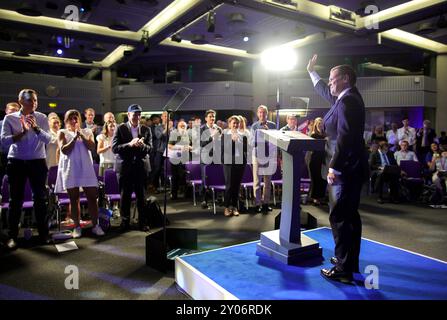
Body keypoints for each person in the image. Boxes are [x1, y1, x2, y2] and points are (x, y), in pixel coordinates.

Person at [307, 54, 368, 283]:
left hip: (345, 170)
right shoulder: (345, 98)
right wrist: (311, 72)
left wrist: (334, 168)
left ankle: (343, 270)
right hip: (350, 169)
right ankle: (348, 261)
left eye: (332, 79)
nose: (330, 82)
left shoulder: (348, 101)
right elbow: (325, 91)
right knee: (350, 217)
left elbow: (345, 137)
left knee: (340, 218)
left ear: (344, 78)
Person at [0, 89, 52, 249]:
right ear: (21, 101)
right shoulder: (10, 118)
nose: (34, 103)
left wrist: (36, 128)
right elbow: (3, 142)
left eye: (35, 100)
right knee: (15, 200)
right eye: (30, 100)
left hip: (37, 161)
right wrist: (21, 133)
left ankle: (43, 234)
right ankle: (12, 236)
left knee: (40, 200)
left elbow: (49, 139)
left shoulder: (42, 117)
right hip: (16, 161)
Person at [54, 110, 104, 238]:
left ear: (79, 120)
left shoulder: (87, 132)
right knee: (74, 198)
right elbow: (64, 150)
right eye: (71, 118)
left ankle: (95, 225)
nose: (74, 121)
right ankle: (77, 226)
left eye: (76, 118)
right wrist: (74, 138)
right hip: (70, 168)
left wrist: (81, 134)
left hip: (86, 168)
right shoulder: (62, 133)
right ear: (66, 121)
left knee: (92, 197)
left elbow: (92, 147)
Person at [112, 104, 152, 232]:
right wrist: (130, 144)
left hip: (141, 167)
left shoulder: (146, 129)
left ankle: (142, 222)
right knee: (125, 196)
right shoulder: (120, 128)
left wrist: (141, 145)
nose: (137, 117)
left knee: (142, 196)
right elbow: (115, 148)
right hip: (125, 167)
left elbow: (150, 149)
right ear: (128, 115)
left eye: (139, 114)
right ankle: (125, 222)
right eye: (134, 114)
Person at [250, 105, 276, 214]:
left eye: (264, 112)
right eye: (260, 112)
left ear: (267, 114)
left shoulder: (272, 125)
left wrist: (269, 133)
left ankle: (265, 203)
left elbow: (276, 141)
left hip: (269, 156)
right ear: (257, 114)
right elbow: (252, 143)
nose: (262, 115)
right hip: (257, 156)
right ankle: (257, 204)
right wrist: (260, 134)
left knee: (267, 182)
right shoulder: (254, 126)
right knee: (257, 181)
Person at [222, 116, 247, 217]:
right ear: (229, 124)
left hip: (240, 163)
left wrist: (238, 141)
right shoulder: (225, 135)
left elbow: (246, 149)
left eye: (237, 123)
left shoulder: (243, 136)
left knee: (237, 186)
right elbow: (224, 149)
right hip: (228, 163)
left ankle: (234, 207)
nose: (236, 125)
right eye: (234, 123)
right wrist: (232, 141)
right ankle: (227, 207)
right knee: (229, 186)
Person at [199, 109, 222, 209]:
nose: (212, 118)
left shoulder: (218, 128)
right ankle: (204, 200)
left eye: (213, 116)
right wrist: (212, 137)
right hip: (205, 157)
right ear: (206, 118)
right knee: (205, 179)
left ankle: (216, 198)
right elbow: (201, 143)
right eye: (210, 116)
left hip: (217, 156)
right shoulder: (202, 129)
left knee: (216, 177)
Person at [305, 117, 327, 206]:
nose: (320, 125)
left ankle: (321, 197)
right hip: (314, 159)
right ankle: (314, 198)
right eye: (319, 123)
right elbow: (310, 148)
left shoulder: (325, 135)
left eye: (321, 124)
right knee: (315, 179)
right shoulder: (313, 135)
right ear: (315, 125)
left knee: (323, 179)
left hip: (323, 160)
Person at [168, 120, 191, 200]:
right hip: (175, 158)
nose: (182, 127)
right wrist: (180, 147)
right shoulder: (174, 134)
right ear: (177, 127)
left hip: (186, 158)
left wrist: (190, 147)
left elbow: (192, 146)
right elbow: (170, 146)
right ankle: (174, 194)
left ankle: (186, 194)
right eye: (181, 126)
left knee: (185, 176)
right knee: (175, 177)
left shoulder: (188, 134)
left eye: (184, 126)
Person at [0, 102, 20, 179]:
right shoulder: (0, 124)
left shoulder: (21, 125)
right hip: (3, 156)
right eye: (12, 110)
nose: (14, 113)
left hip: (17, 156)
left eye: (16, 111)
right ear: (6, 111)